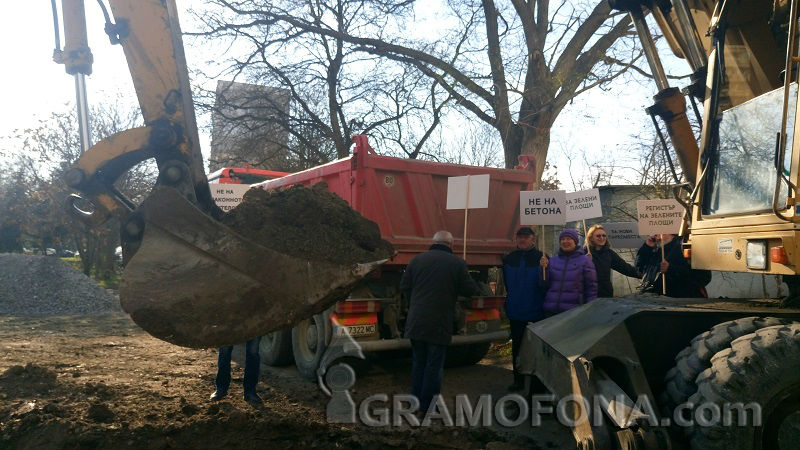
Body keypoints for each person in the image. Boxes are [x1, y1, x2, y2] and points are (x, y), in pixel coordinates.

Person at [400, 230, 477, 413]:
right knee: (433, 366)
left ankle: (415, 403)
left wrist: (416, 302)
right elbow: (470, 290)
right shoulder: (457, 263)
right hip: (439, 322)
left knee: (419, 363)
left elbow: (404, 286)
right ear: (451, 244)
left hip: (416, 321)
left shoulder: (416, 260)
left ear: (433, 242)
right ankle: (427, 407)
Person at [502, 226, 548, 392]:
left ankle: (537, 382)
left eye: (525, 237)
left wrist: (546, 268)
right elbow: (507, 284)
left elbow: (546, 284)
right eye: (519, 237)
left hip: (537, 311)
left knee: (536, 349)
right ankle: (518, 380)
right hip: (516, 311)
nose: (522, 240)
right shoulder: (509, 259)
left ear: (533, 239)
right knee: (518, 349)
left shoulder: (542, 257)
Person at [542, 228, 598, 316]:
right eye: (562, 239)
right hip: (551, 311)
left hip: (573, 312)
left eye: (568, 239)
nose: (565, 241)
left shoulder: (585, 261)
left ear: (575, 241)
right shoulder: (552, 261)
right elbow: (544, 284)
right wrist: (543, 269)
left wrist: (589, 309)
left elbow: (591, 289)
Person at [636, 234, 711, 298]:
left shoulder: (685, 246)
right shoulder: (655, 249)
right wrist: (646, 247)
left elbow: (703, 276)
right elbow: (639, 268)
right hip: (655, 301)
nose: (654, 235)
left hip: (679, 304)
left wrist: (671, 269)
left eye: (657, 230)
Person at [584, 224, 640, 298]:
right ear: (591, 238)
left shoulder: (609, 253)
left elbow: (625, 268)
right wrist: (584, 261)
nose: (602, 238)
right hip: (587, 296)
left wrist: (645, 274)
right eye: (598, 236)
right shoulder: (583, 253)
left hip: (605, 295)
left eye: (604, 235)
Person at [210, 337, 263, 405]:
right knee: (224, 350)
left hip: (254, 326)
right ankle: (221, 389)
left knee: (253, 352)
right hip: (229, 326)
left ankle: (250, 391)